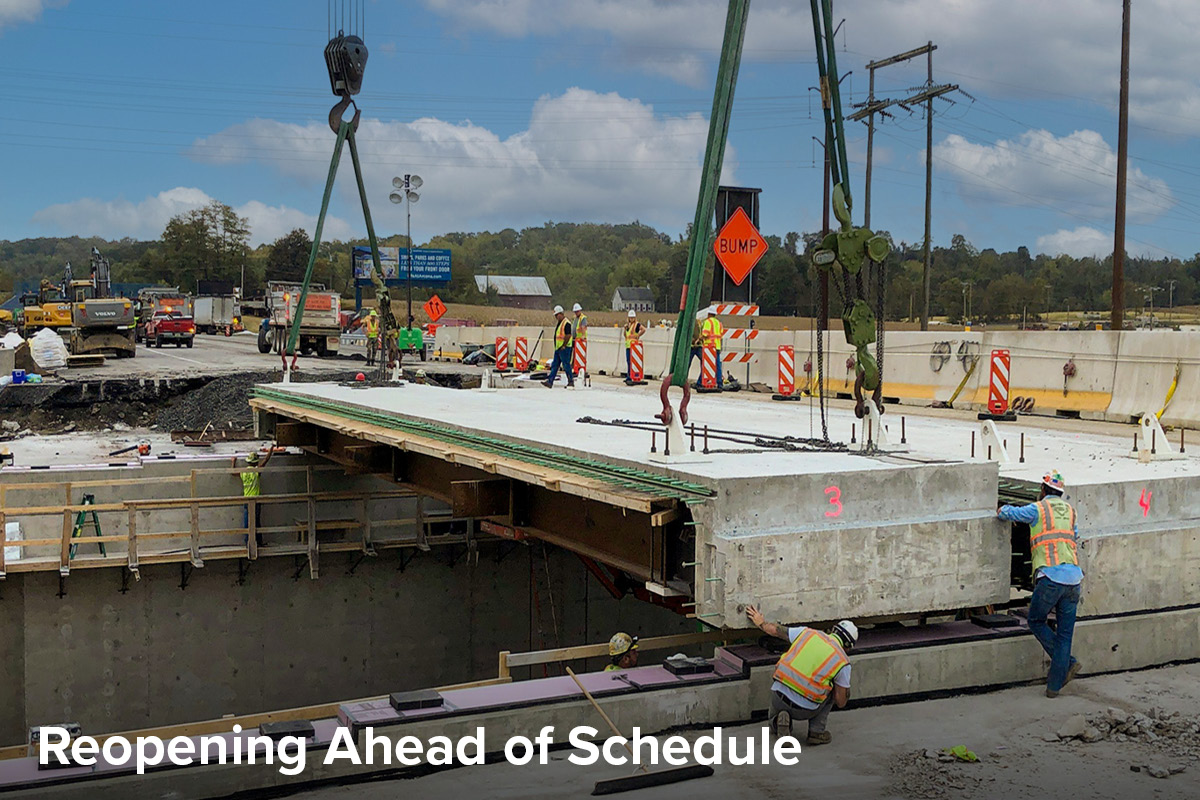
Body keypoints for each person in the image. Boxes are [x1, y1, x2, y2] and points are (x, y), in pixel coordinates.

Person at [998, 469, 1083, 697]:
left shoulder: (1039, 508)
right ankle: (1054, 687)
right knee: (1065, 634)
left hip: (1051, 578)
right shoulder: (1071, 511)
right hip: (1074, 579)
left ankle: (1068, 662)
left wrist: (1001, 509)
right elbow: (1075, 536)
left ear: (1043, 490)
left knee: (1036, 620)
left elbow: (1011, 513)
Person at [747, 605, 856, 744]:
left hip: (778, 697)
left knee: (781, 686)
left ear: (833, 630)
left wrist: (760, 622)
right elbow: (840, 702)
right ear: (848, 647)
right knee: (833, 689)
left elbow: (776, 630)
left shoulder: (807, 633)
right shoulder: (842, 661)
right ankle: (816, 732)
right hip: (806, 709)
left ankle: (777, 721)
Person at [233, 448, 274, 544]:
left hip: (246, 499)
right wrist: (271, 450)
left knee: (248, 522)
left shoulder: (243, 472)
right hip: (256, 499)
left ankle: (248, 541)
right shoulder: (256, 471)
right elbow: (265, 461)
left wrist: (233, 462)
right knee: (256, 522)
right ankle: (258, 542)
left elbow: (232, 472)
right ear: (255, 462)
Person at [543, 305, 575, 388]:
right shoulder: (560, 323)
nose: (556, 317)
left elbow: (568, 335)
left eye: (557, 315)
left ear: (561, 314)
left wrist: (564, 345)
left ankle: (571, 381)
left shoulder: (566, 323)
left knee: (566, 365)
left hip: (564, 348)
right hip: (558, 348)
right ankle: (550, 382)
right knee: (555, 365)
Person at [697, 305, 724, 389]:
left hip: (709, 347)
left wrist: (699, 339)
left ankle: (700, 382)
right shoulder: (719, 323)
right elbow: (721, 334)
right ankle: (719, 383)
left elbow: (705, 334)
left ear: (709, 314)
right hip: (717, 346)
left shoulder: (708, 322)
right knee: (717, 366)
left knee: (706, 366)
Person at [623, 310, 646, 382]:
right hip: (628, 346)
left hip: (633, 346)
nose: (631, 319)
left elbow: (643, 329)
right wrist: (625, 329)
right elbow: (625, 335)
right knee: (628, 361)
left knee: (631, 362)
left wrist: (638, 335)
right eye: (630, 318)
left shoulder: (637, 325)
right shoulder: (628, 325)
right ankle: (629, 376)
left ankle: (630, 376)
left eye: (632, 318)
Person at [572, 303, 588, 379]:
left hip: (580, 340)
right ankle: (576, 370)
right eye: (575, 311)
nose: (576, 313)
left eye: (577, 311)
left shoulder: (583, 318)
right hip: (575, 339)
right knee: (575, 356)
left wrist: (583, 336)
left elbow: (583, 327)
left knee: (580, 357)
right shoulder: (575, 318)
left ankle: (580, 370)